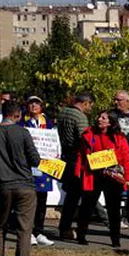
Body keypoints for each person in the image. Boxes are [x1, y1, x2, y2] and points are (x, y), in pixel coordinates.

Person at [0, 100, 41, 256]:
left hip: (2, 185)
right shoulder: (23, 132)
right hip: (25, 185)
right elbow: (35, 160)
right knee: (24, 230)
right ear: (17, 115)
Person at [75, 109, 129, 248]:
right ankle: (81, 235)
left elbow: (126, 160)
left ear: (110, 122)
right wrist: (78, 171)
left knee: (114, 209)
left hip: (113, 176)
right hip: (93, 174)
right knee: (87, 206)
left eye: (103, 118)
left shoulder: (120, 138)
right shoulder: (89, 134)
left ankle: (115, 238)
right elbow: (81, 155)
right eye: (99, 116)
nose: (99, 119)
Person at [57, 93, 94, 240]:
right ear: (86, 103)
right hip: (76, 157)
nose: (90, 109)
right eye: (90, 106)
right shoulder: (80, 117)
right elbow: (84, 138)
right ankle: (67, 227)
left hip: (65, 155)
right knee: (77, 195)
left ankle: (65, 226)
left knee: (71, 195)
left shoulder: (63, 113)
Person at [21, 96, 55, 247]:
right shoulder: (23, 121)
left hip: (44, 164)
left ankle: (39, 231)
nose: (34, 105)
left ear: (42, 106)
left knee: (42, 199)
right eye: (31, 103)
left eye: (37, 103)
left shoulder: (47, 122)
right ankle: (27, 232)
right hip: (28, 164)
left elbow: (53, 140)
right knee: (29, 200)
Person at [112, 91, 129, 227]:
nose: (116, 102)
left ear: (127, 101)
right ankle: (115, 218)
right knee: (116, 188)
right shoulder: (112, 115)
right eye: (115, 99)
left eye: (119, 99)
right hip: (117, 158)